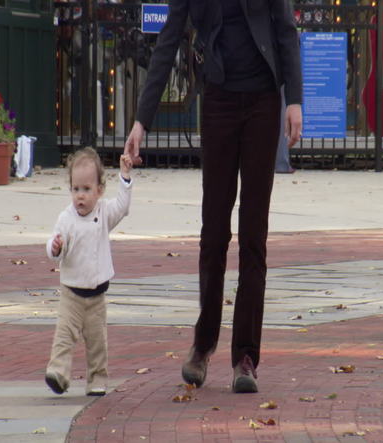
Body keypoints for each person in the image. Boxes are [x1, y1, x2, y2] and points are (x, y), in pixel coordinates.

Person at [124, 0, 302, 393]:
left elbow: (285, 30)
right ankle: (202, 346)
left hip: (263, 100)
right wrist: (142, 121)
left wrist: (294, 100)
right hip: (219, 98)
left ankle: (245, 357)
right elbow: (168, 40)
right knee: (214, 232)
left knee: (253, 235)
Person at [45, 147, 133, 396]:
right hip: (71, 292)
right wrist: (55, 247)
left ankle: (97, 379)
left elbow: (123, 207)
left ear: (99, 190)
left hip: (96, 295)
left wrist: (125, 178)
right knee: (64, 335)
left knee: (97, 342)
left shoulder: (104, 213)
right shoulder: (66, 218)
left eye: (86, 189)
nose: (80, 196)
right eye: (75, 189)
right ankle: (58, 373)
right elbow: (55, 246)